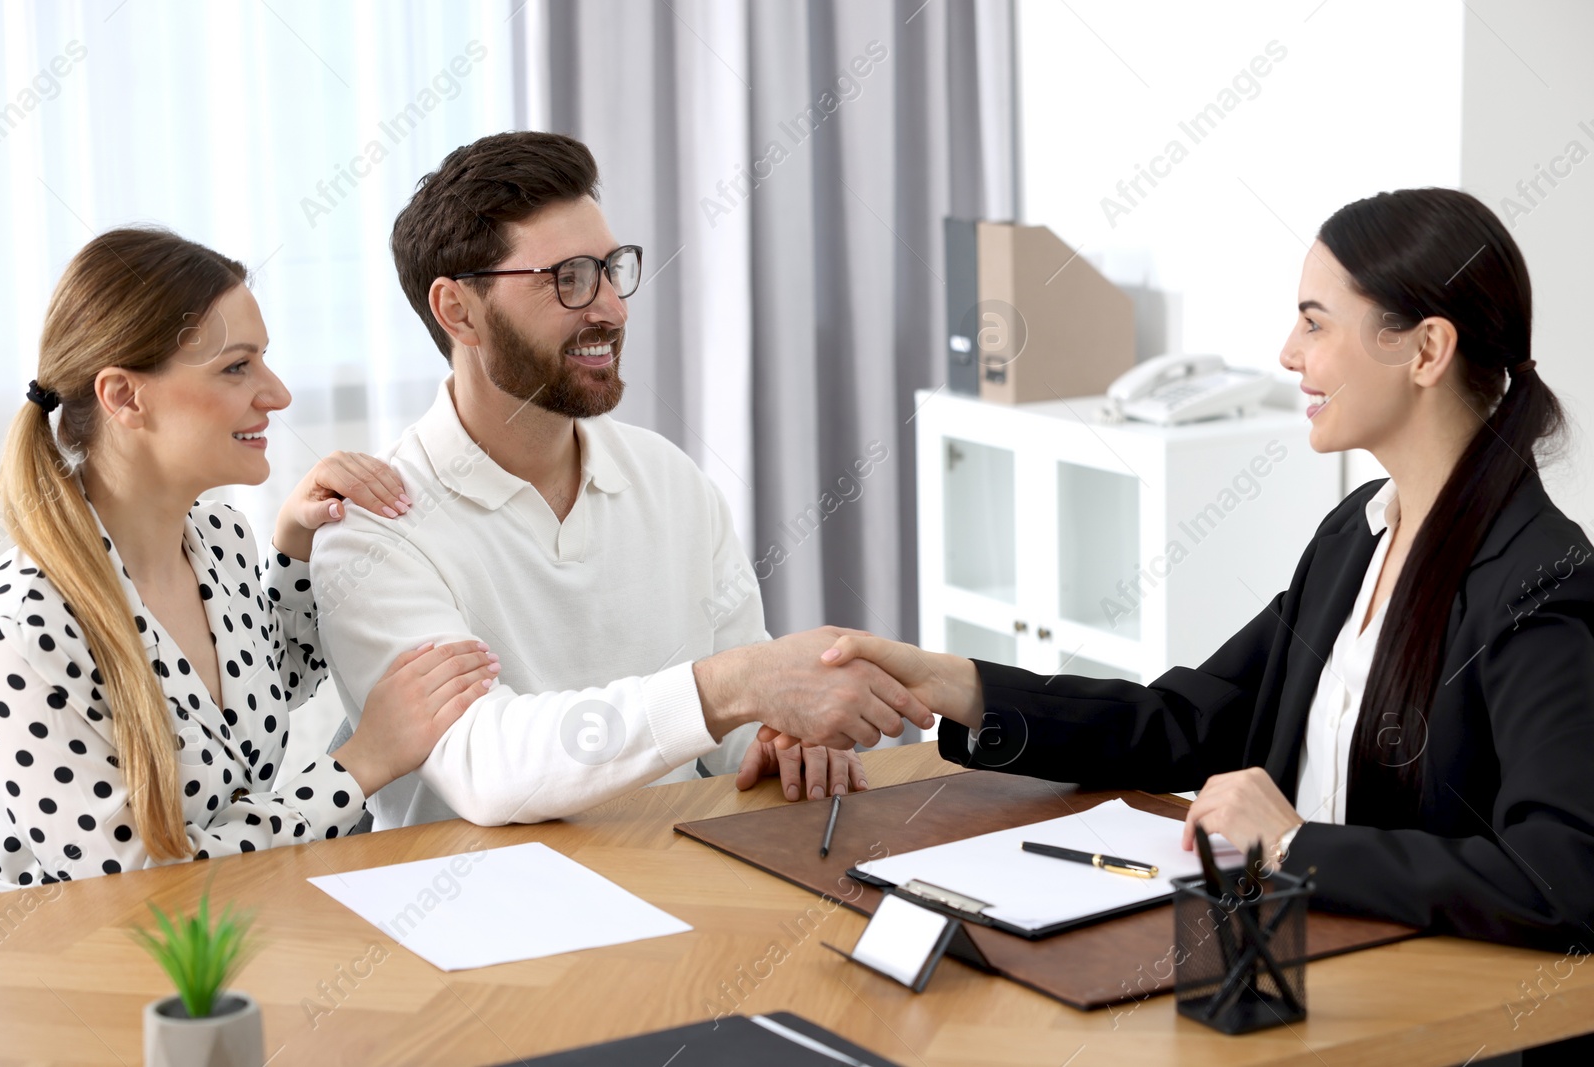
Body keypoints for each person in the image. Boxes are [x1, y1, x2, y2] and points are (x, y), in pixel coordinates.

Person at [816, 187, 1594, 950]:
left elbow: (1564, 877)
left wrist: (1293, 843)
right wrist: (961, 686)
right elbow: (1183, 722)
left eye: (1313, 323)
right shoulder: (1355, 537)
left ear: (1425, 349)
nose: (1289, 353)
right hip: (1298, 971)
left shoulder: (1541, 579)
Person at [311, 132, 931, 830]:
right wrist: (733, 687)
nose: (611, 307)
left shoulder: (668, 478)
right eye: (569, 278)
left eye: (612, 269)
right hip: (476, 919)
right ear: (458, 311)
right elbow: (485, 769)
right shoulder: (370, 528)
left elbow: (730, 734)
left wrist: (778, 741)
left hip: (681, 889)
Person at [0, 229, 500, 888]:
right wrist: (361, 762)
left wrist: (294, 545)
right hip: (97, 974)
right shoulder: (24, 628)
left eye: (264, 360)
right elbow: (140, 878)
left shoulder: (220, 538)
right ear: (123, 396)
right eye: (237, 367)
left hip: (231, 933)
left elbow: (258, 700)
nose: (278, 394)